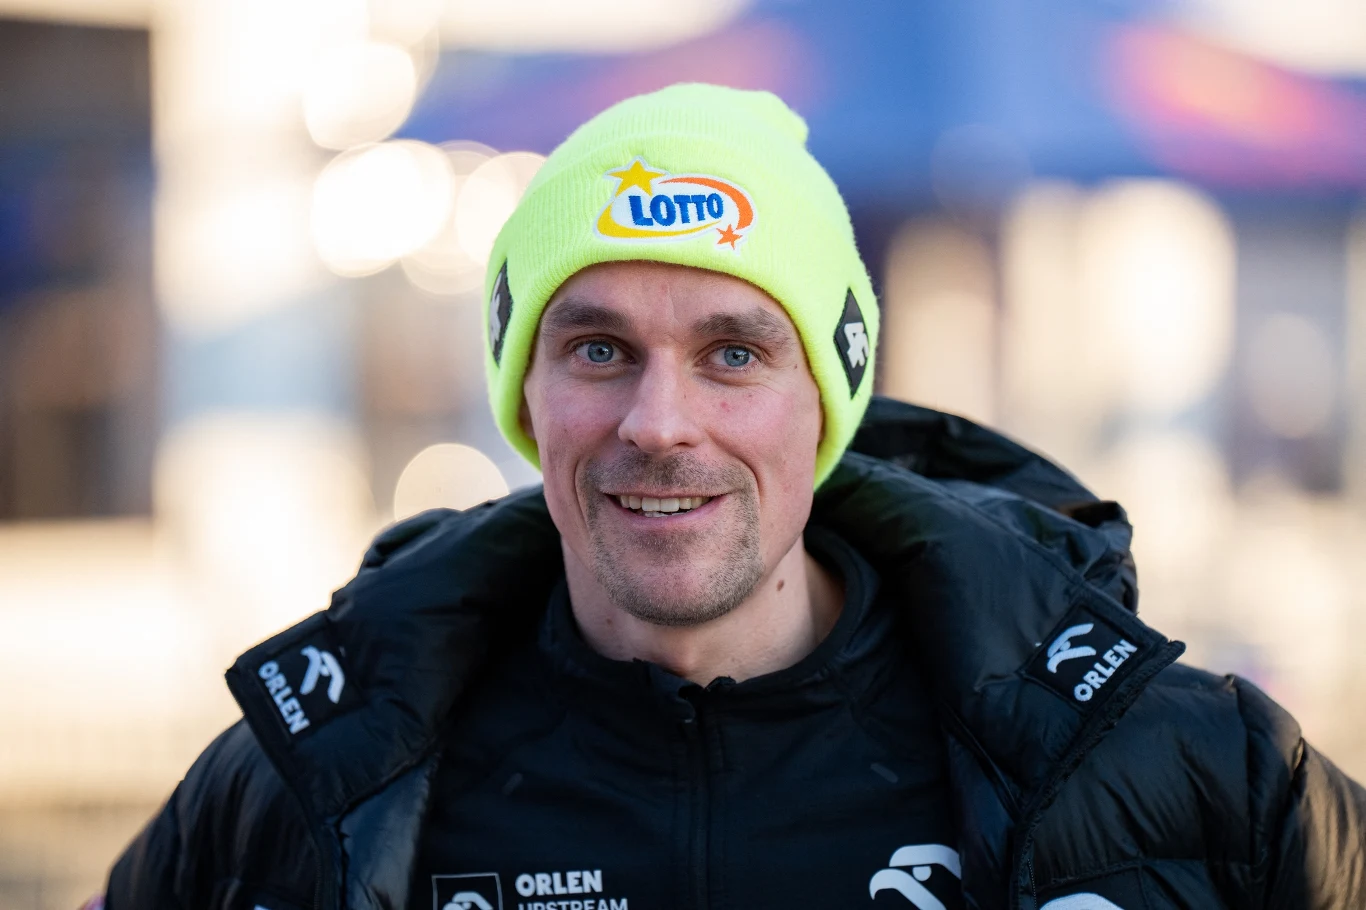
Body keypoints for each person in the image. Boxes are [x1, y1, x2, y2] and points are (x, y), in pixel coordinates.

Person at [104, 84, 1365, 910]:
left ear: (830, 401)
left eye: (733, 353)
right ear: (525, 395)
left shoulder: (1198, 775)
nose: (659, 423)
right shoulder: (296, 791)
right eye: (598, 348)